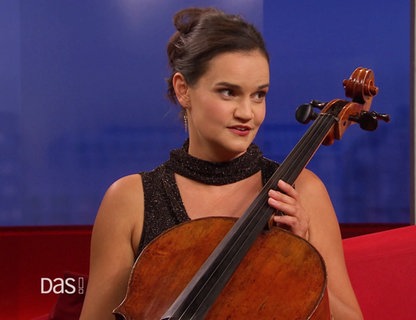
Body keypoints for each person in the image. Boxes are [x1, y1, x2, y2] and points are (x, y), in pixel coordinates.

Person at [80, 7, 363, 320]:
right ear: (183, 89)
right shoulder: (130, 200)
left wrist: (302, 256)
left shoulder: (302, 191)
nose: (247, 112)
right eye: (229, 92)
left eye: (259, 95)